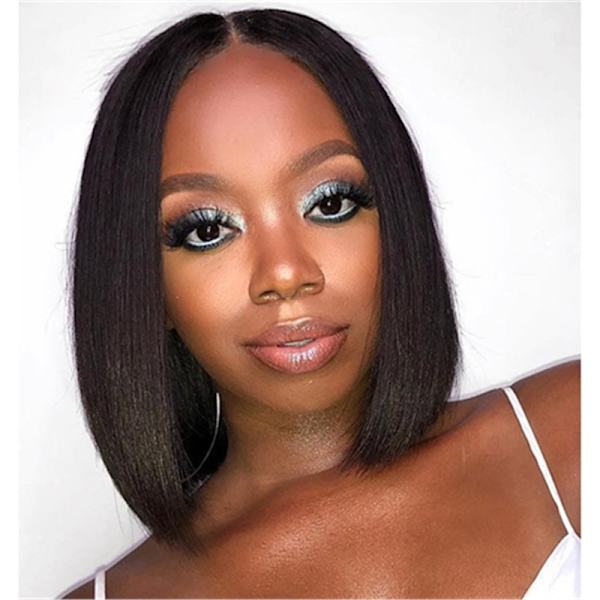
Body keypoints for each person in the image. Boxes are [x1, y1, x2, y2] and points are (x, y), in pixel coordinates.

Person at [61, 7, 580, 599]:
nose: (285, 273)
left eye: (330, 203)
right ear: (144, 288)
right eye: (206, 230)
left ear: (396, 220)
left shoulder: (570, 436)